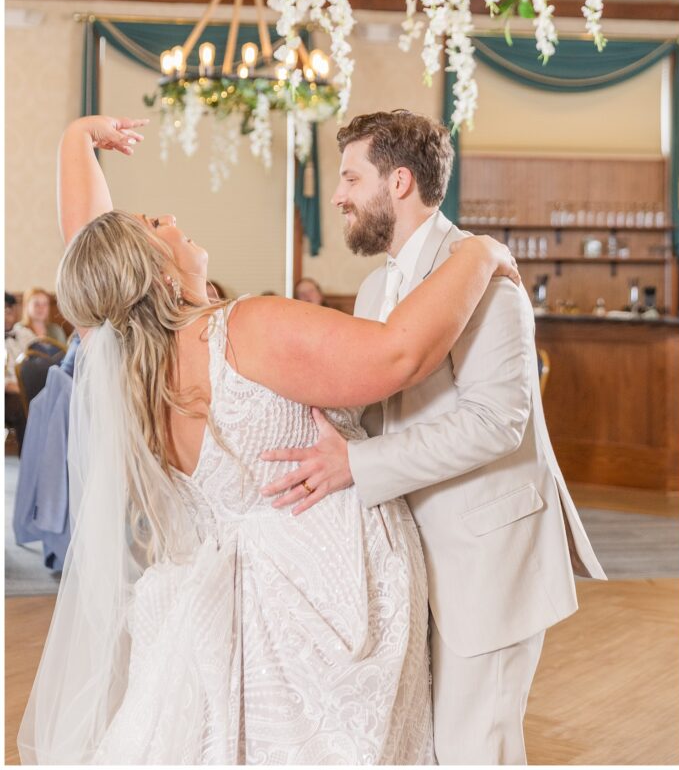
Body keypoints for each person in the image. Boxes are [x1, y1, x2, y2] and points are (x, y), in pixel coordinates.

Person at [19, 114, 520, 766]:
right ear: (157, 272)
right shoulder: (242, 330)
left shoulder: (124, 365)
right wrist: (481, 253)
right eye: (153, 225)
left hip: (244, 591)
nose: (168, 216)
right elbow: (399, 355)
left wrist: (76, 140)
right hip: (327, 596)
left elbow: (91, 252)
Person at [262, 110, 606, 766]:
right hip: (411, 560)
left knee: (477, 751)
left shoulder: (481, 276)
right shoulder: (371, 289)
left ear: (398, 182)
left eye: (349, 177)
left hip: (488, 555)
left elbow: (496, 423)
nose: (337, 195)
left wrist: (357, 465)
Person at [5, 287, 67, 392]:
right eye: (36, 304)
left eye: (45, 304)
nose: (41, 308)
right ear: (26, 306)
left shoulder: (53, 330)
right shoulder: (19, 330)